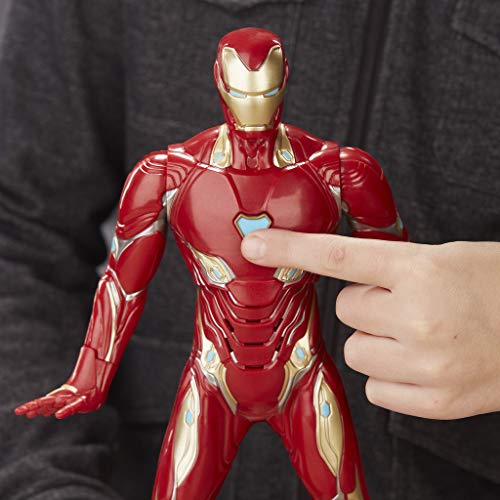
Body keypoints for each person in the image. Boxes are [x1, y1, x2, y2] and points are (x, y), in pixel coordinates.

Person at [1, 1, 500, 499]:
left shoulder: (339, 171)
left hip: (309, 375)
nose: (254, 113)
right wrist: (70, 420)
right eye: (243, 93)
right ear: (221, 82)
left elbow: (405, 281)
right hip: (207, 379)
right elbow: (33, 237)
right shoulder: (170, 174)